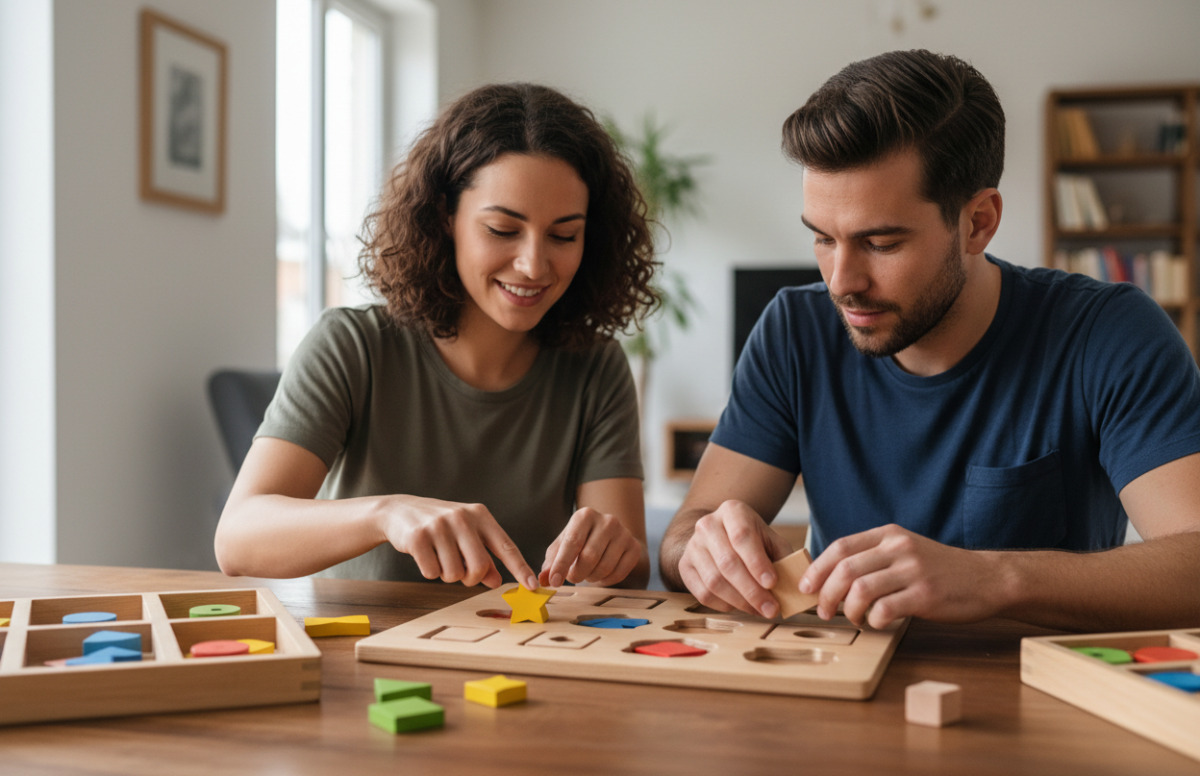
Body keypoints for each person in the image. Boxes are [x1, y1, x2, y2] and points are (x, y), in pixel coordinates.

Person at [659, 50, 1200, 632]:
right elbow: (683, 532)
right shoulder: (794, 330)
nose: (842, 283)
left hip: (1038, 704)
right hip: (841, 689)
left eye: (882, 243)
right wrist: (704, 547)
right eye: (822, 239)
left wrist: (991, 577)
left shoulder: (1109, 334)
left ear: (978, 222)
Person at [216, 83, 658, 591]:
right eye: (501, 229)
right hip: (363, 649)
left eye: (563, 236)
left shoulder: (595, 366)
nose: (534, 264)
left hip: (517, 653)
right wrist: (385, 514)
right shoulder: (353, 346)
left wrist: (613, 555)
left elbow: (630, 572)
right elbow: (237, 539)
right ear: (445, 217)